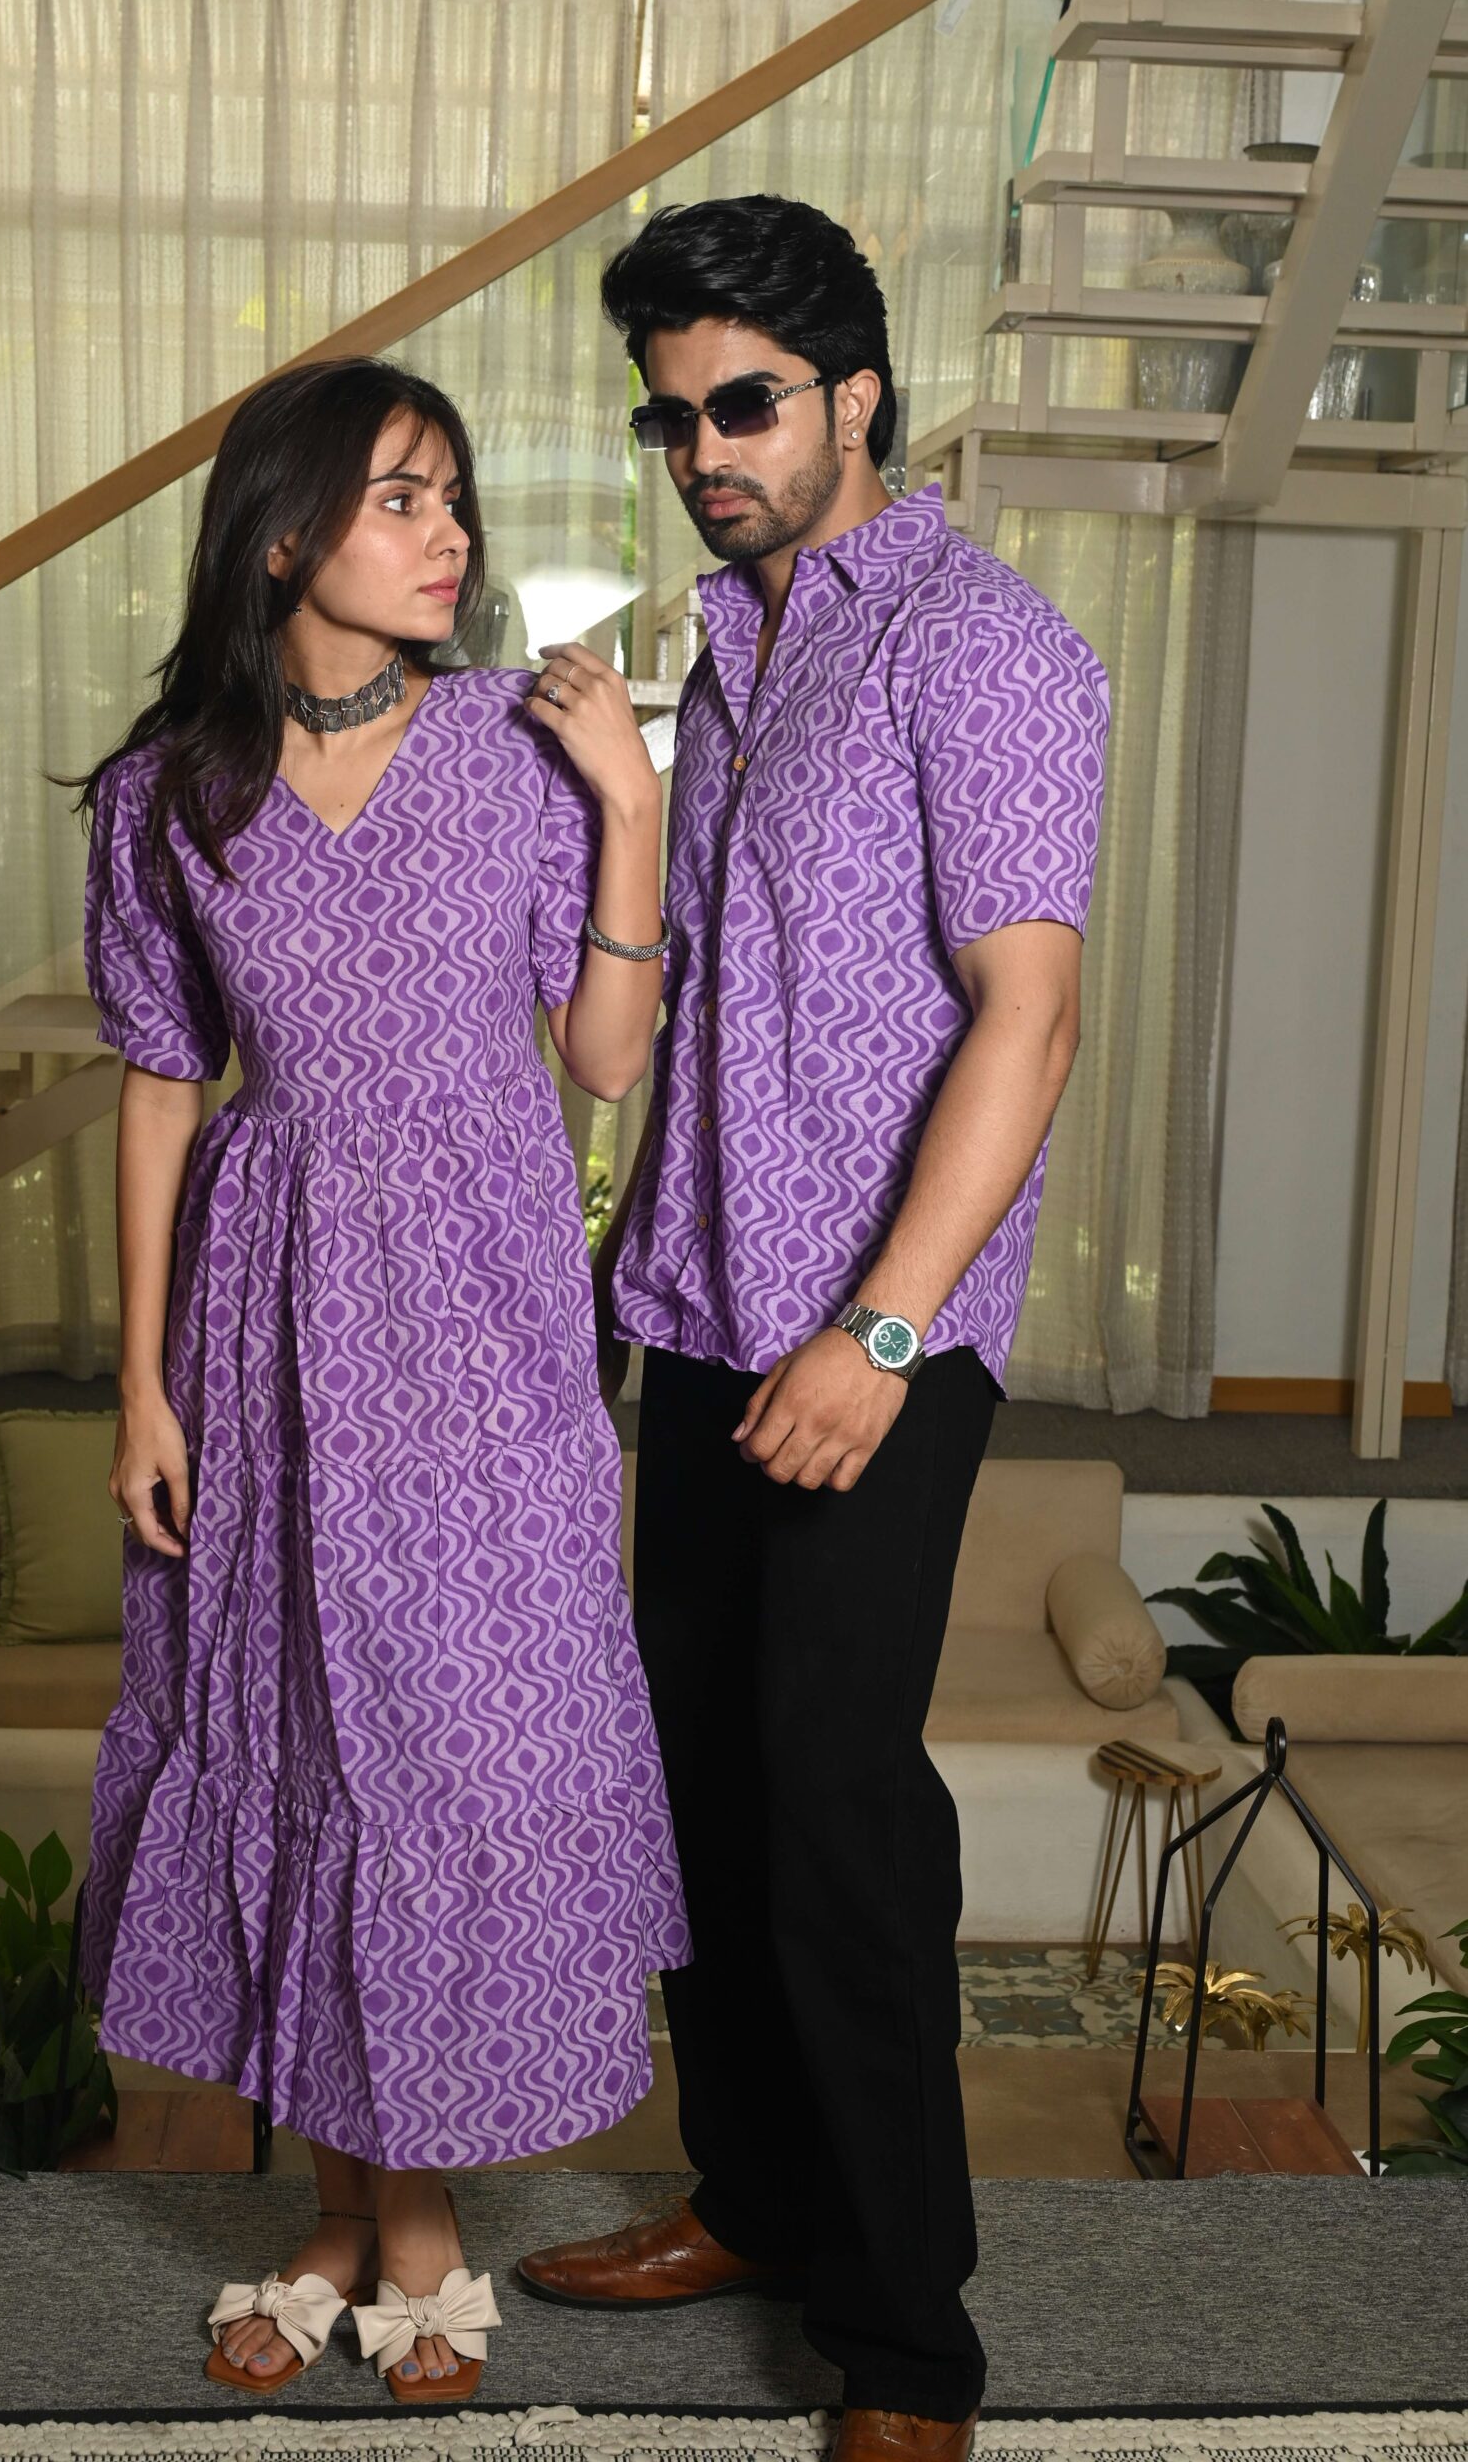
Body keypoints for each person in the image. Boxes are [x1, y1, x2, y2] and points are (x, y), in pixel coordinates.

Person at [516, 196, 1108, 2462]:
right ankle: (755, 2202)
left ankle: (905, 2343)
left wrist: (879, 1327)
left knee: (838, 1807)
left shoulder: (990, 645)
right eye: (671, 419)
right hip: (695, 1306)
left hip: (873, 1333)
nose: (704, 453)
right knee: (703, 1791)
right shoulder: (735, 647)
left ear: (859, 393)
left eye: (743, 405)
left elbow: (1027, 1019)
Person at [72, 355, 690, 2403]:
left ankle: (386, 2221)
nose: (450, 536)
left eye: (453, 500)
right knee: (294, 1732)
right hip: (262, 1309)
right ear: (282, 536)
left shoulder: (518, 751)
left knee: (439, 1742)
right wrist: (143, 1385)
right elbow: (161, 1087)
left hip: (483, 1316)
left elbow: (604, 1058)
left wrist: (631, 809)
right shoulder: (169, 797)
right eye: (400, 498)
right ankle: (362, 2220)